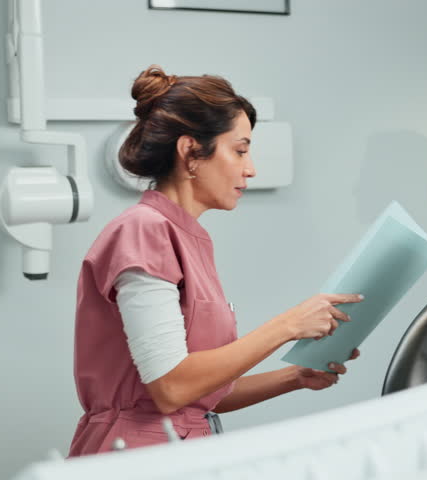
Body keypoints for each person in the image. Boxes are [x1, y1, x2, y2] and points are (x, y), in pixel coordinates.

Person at [69, 66, 363, 456]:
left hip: (179, 447)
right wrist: (288, 325)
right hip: (136, 457)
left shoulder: (185, 238)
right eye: (240, 150)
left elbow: (198, 395)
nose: (250, 168)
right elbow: (171, 387)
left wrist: (295, 377)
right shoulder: (144, 232)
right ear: (190, 151)